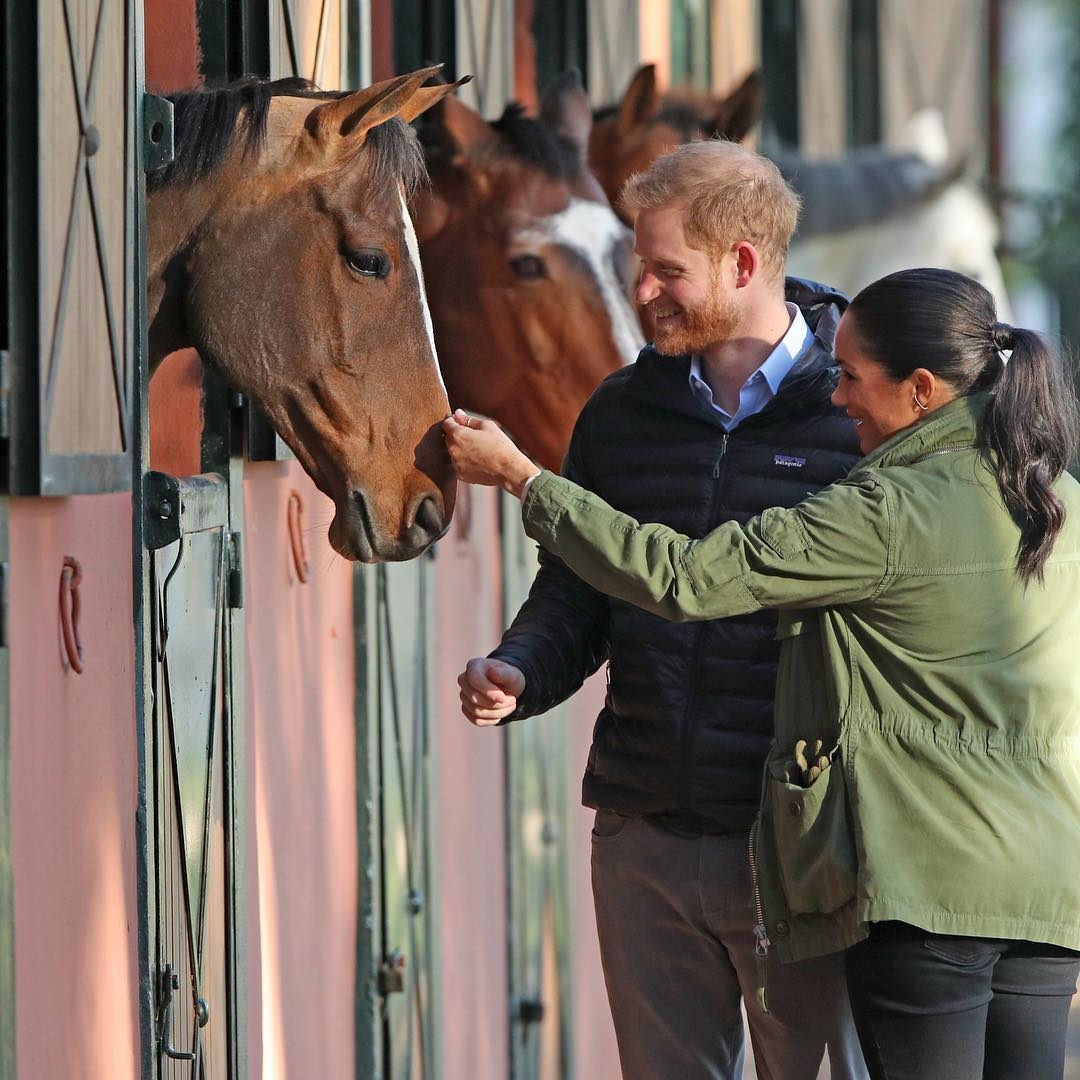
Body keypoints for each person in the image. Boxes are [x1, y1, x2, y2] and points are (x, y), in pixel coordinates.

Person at [443, 266, 1080, 1080]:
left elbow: (687, 578)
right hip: (1047, 889)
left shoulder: (888, 508)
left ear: (920, 389)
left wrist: (525, 481)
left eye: (851, 377)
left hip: (931, 890)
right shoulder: (1057, 496)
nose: (838, 398)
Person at [455, 139, 867, 1079]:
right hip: (642, 835)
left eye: (665, 271)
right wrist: (520, 668)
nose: (642, 293)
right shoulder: (619, 411)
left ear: (746, 262)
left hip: (799, 850)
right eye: (640, 267)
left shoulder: (857, 417)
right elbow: (576, 588)